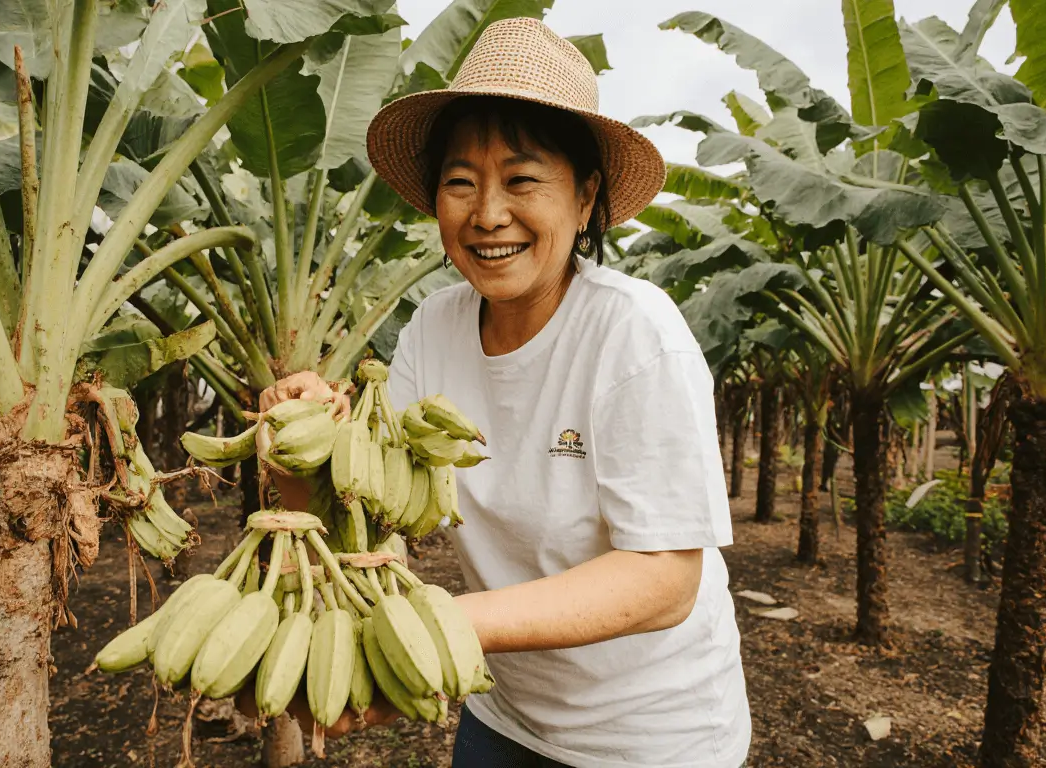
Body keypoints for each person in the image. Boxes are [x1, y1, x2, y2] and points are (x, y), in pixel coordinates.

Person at [253, 17, 750, 768]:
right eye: (461, 183)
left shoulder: (634, 333)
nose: (487, 214)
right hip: (505, 716)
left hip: (652, 736)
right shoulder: (435, 326)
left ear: (585, 199)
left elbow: (664, 580)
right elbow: (377, 510)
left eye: (522, 180)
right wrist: (303, 442)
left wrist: (440, 622)